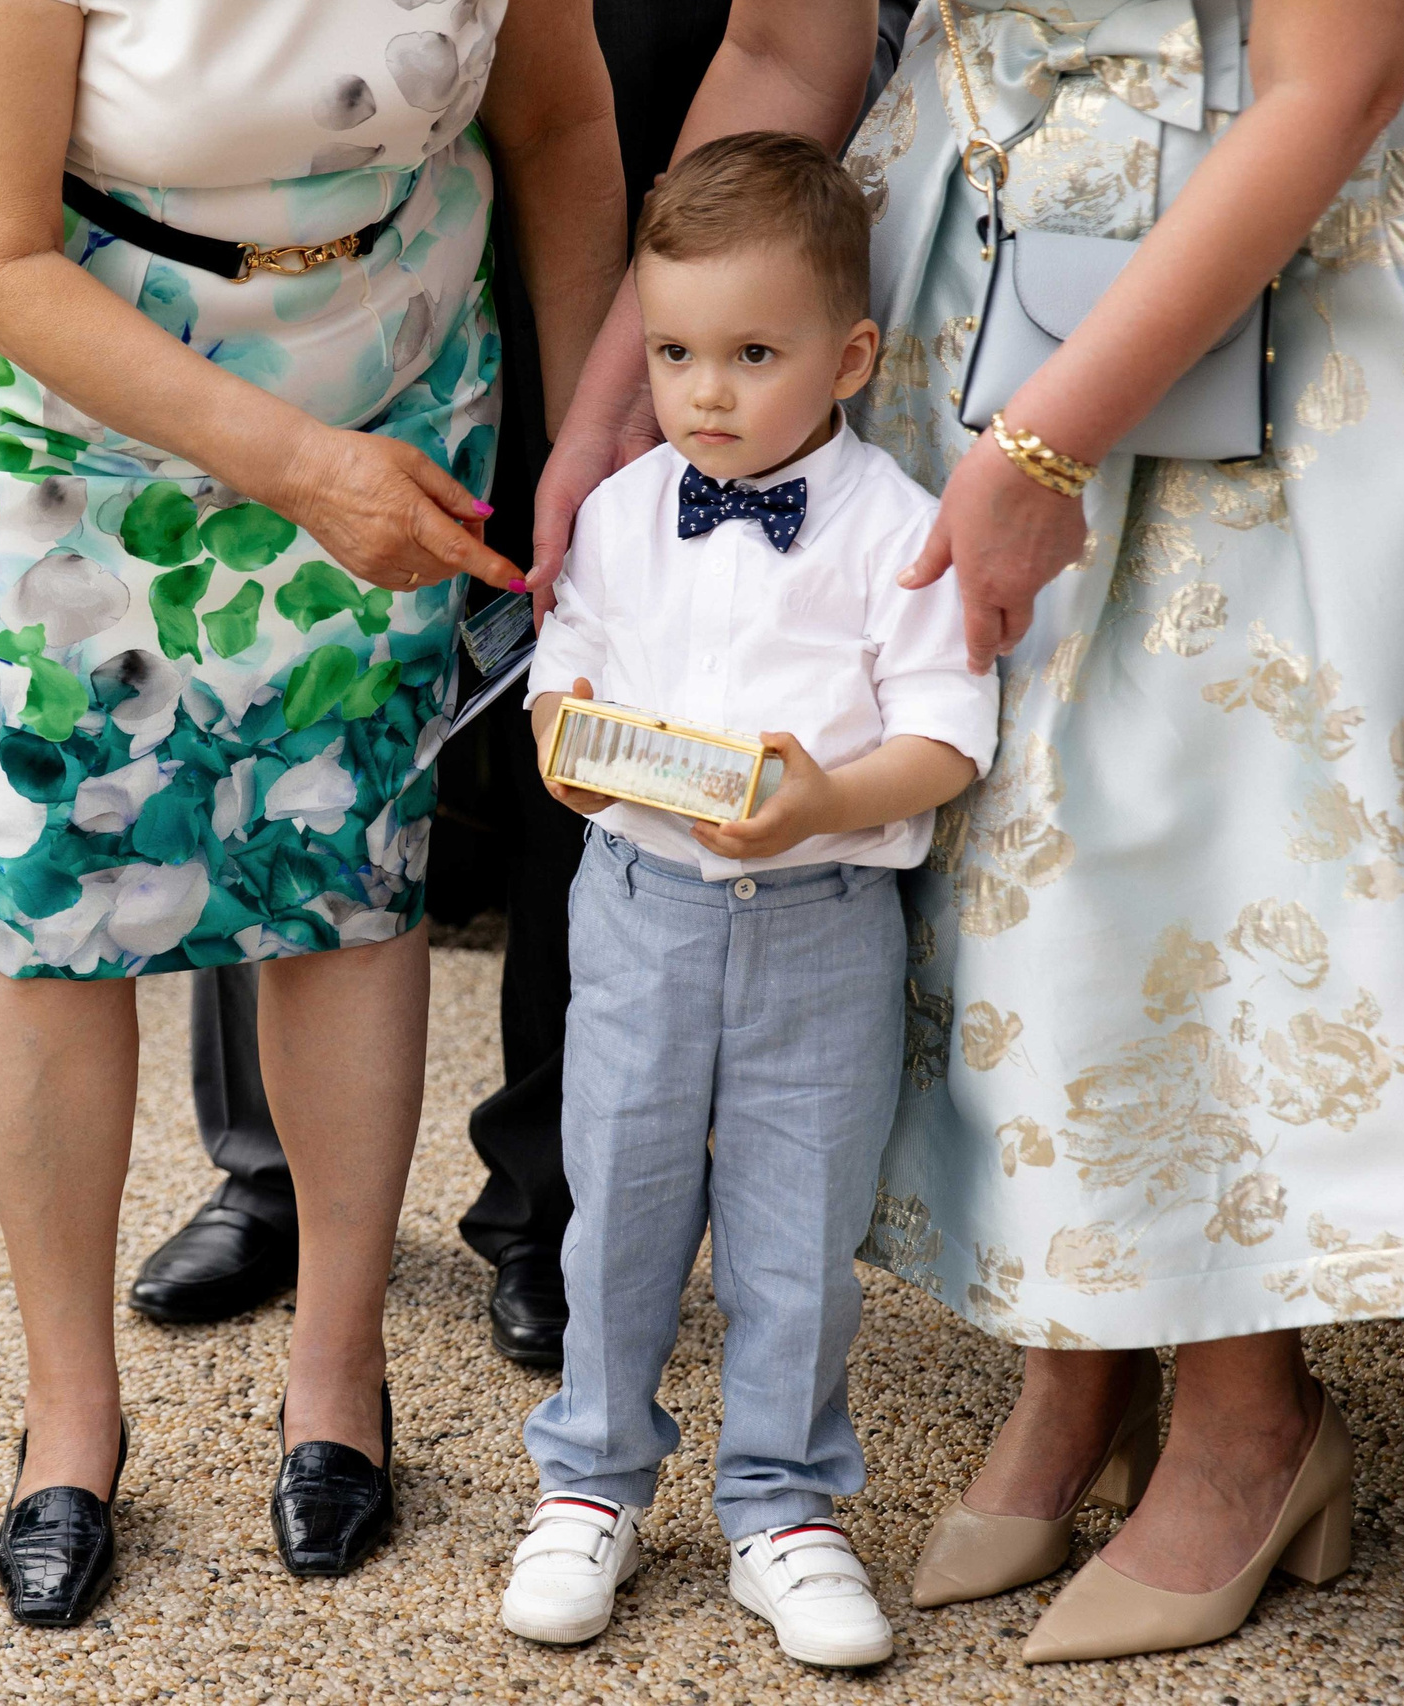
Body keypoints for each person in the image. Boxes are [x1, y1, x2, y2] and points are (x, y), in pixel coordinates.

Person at [543, 0, 1404, 1666]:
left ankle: (1252, 1419)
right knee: (1015, 823)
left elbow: (1339, 75)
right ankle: (1080, 1350)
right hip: (996, 234)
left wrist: (1047, 441)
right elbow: (782, 47)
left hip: (1299, 244)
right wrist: (614, 402)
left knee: (1227, 829)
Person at [0, 0, 625, 1626]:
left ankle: (338, 1374)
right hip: (36, 401)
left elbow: (555, 126)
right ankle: (69, 1414)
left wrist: (599, 439)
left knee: (344, 859)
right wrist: (290, 463)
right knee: (59, 885)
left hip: (391, 367)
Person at [128, 0, 920, 1370]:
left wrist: (620, 379)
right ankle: (272, 1166)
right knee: (296, 666)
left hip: (686, 96)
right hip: (361, 161)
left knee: (621, 679)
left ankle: (556, 1193)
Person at [499, 134, 995, 1668]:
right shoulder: (632, 504)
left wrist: (830, 797)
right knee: (619, 1199)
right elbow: (566, 659)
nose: (703, 391)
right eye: (671, 353)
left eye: (752, 354)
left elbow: (947, 732)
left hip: (823, 922)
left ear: (852, 355)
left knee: (797, 1226)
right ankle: (589, 1474)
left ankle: (784, 1502)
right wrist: (561, 744)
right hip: (640, 899)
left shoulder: (891, 525)